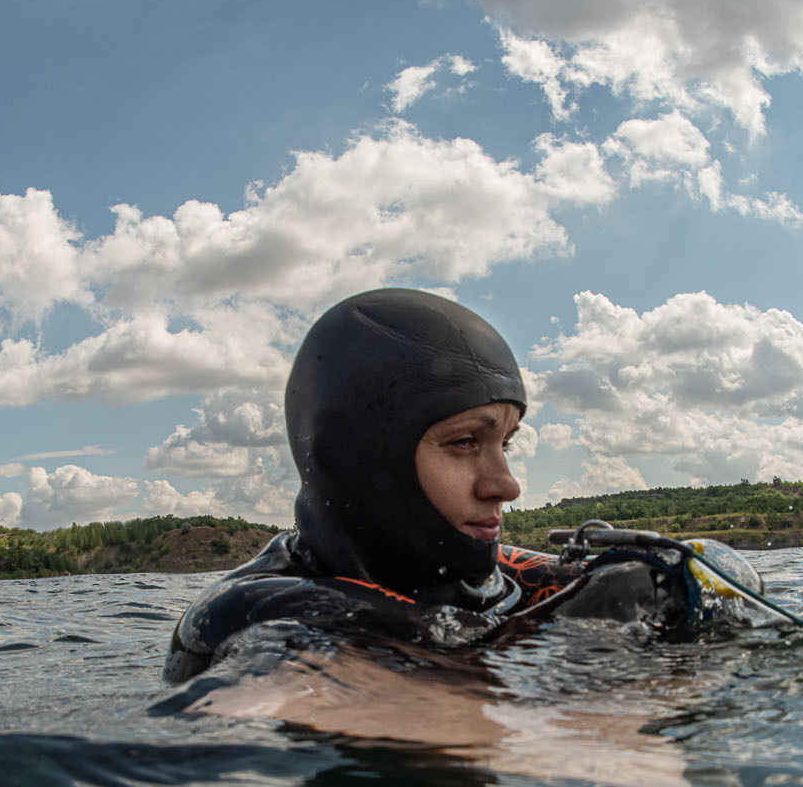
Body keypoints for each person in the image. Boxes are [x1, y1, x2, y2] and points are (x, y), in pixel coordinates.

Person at [163, 288, 693, 685]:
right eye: (464, 442)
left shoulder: (495, 577)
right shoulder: (259, 620)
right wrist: (581, 642)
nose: (505, 485)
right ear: (362, 462)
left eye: (504, 444)